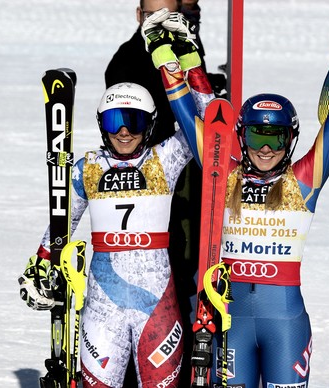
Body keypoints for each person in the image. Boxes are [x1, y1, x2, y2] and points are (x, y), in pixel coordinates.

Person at [140, 9, 329, 387]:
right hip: (231, 322)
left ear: (291, 140)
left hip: (284, 325)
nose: (266, 148)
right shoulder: (225, 172)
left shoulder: (303, 181)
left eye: (277, 138)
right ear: (241, 136)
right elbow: (189, 113)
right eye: (256, 137)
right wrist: (166, 56)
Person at [18, 82, 194, 387]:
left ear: (150, 123)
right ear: (102, 124)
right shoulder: (87, 168)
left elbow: (209, 123)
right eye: (115, 121)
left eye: (134, 120)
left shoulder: (165, 159)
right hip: (103, 307)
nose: (124, 131)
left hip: (157, 307)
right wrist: (41, 263)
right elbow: (62, 222)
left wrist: (178, 70)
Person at [105, 2, 226, 384]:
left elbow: (204, 116)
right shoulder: (128, 60)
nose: (170, 24)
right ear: (139, 17)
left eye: (179, 15)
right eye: (156, 16)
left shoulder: (184, 42)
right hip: (152, 195)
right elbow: (130, 136)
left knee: (189, 285)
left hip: (192, 187)